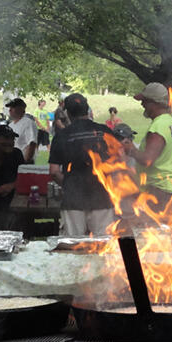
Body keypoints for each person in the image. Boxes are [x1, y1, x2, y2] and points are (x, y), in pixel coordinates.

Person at [49, 93, 117, 236]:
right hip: (102, 198)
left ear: (67, 113)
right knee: (103, 247)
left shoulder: (62, 136)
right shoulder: (104, 131)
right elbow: (119, 163)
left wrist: (68, 184)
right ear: (87, 110)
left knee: (73, 246)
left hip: (73, 200)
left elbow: (54, 171)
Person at [123, 83, 172, 225]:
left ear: (155, 103)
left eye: (145, 101)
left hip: (162, 191)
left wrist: (131, 149)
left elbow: (147, 159)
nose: (142, 104)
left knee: (157, 235)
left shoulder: (159, 126)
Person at [7, 98, 38, 164]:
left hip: (23, 161)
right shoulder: (10, 125)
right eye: (10, 108)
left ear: (21, 109)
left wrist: (26, 161)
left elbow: (32, 143)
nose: (10, 110)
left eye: (13, 107)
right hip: (12, 161)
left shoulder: (28, 123)